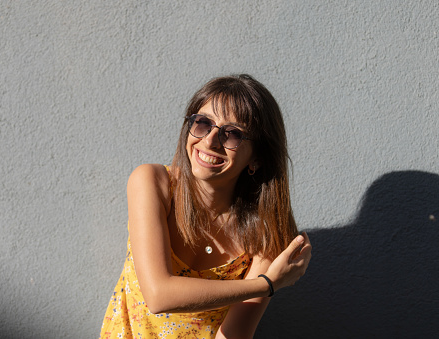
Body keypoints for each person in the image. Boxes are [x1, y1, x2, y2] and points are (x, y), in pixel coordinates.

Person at [99, 74, 312, 339]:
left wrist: (263, 285)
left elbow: (233, 335)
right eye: (202, 124)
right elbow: (158, 295)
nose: (210, 141)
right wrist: (265, 285)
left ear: (257, 156)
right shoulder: (153, 182)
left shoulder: (265, 235)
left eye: (232, 134)